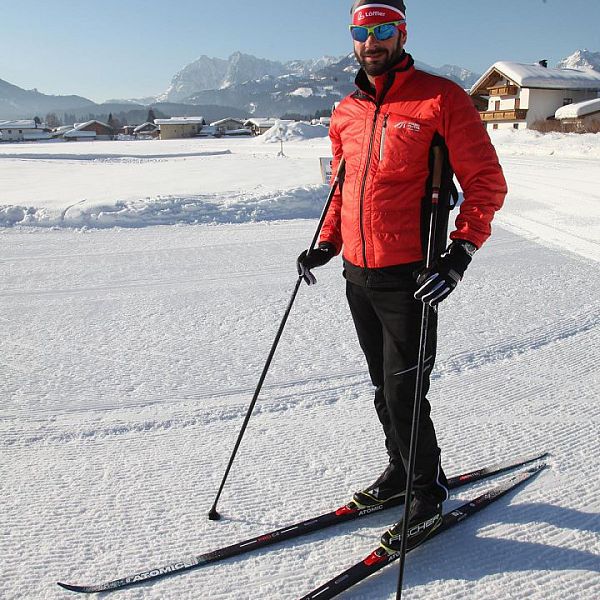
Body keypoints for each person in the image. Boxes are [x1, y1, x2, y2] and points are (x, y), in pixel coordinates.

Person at [297, 0, 507, 552]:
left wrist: (459, 253)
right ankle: (398, 473)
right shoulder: (345, 111)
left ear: (402, 33)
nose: (372, 42)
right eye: (362, 32)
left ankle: (426, 494)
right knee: (381, 387)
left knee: (405, 389)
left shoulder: (442, 99)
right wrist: (326, 243)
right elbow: (343, 187)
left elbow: (485, 181)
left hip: (411, 275)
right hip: (357, 273)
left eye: (383, 30)